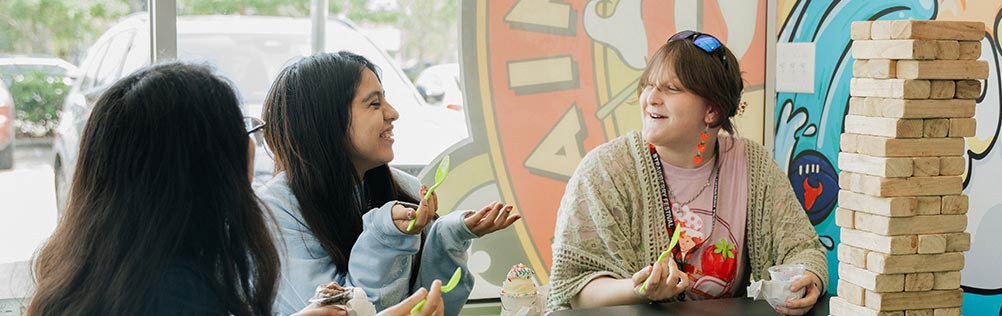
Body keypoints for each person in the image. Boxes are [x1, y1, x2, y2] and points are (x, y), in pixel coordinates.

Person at [26, 62, 445, 316]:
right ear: (198, 166)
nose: (254, 145)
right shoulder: (179, 293)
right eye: (241, 130)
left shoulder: (102, 275)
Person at [546, 31, 828, 315]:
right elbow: (574, 291)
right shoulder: (605, 171)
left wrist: (810, 276)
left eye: (671, 89)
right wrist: (639, 290)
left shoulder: (751, 165)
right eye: (648, 85)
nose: (651, 98)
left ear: (712, 111)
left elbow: (802, 248)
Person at [258, 51, 520, 316]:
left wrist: (448, 236)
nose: (393, 113)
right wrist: (386, 235)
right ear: (325, 120)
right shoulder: (276, 209)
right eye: (374, 104)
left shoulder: (401, 187)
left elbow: (434, 309)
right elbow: (343, 312)